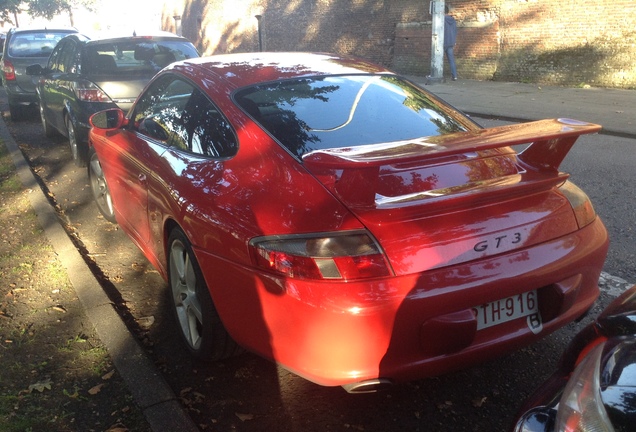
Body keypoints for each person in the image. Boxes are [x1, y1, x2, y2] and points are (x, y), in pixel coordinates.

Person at [444, 5, 458, 81]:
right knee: (451, 59)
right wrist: (454, 41)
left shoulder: (441, 19)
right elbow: (455, 31)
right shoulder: (453, 20)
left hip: (443, 42)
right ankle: (454, 76)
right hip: (451, 42)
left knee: (438, 59)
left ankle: (438, 74)